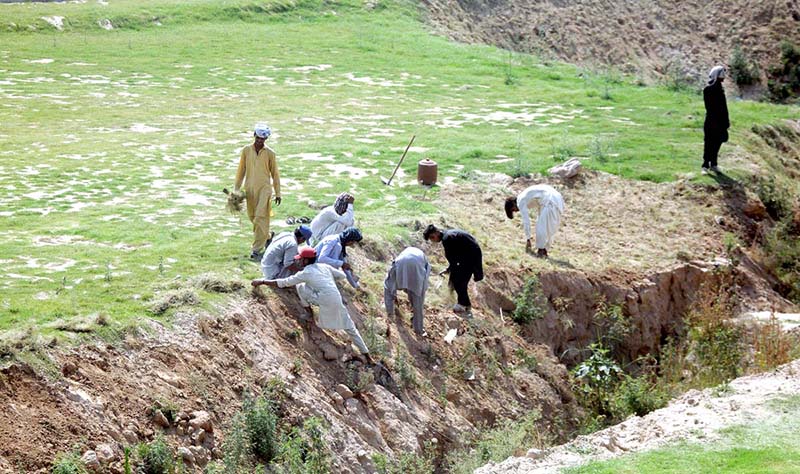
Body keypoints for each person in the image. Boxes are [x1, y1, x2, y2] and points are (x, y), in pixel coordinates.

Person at [253, 247, 373, 362]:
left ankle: (309, 314)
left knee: (300, 286)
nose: (297, 260)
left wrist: (263, 281)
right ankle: (367, 356)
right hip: (336, 298)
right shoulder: (324, 266)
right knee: (350, 328)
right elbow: (341, 276)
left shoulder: (305, 273)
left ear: (305, 260)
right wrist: (327, 281)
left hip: (324, 299)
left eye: (299, 259)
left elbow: (284, 283)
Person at [235, 124, 282, 260]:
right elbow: (241, 171)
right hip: (249, 189)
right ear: (254, 136)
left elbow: (275, 174)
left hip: (264, 190)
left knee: (260, 217)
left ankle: (256, 250)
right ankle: (267, 236)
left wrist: (277, 193)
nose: (260, 141)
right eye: (258, 138)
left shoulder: (270, 154)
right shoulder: (246, 150)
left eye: (263, 139)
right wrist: (236, 190)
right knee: (253, 217)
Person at [423, 225, 483, 316]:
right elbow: (455, 258)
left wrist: (451, 269)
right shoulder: (448, 235)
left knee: (459, 282)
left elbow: (454, 259)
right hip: (468, 256)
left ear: (436, 232)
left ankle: (463, 304)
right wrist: (449, 270)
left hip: (470, 257)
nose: (433, 240)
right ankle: (459, 301)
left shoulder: (448, 238)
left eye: (432, 237)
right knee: (455, 279)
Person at [504, 184, 565, 258]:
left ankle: (541, 250)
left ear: (513, 204)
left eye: (513, 210)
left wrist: (528, 238)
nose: (516, 211)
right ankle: (544, 250)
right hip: (557, 199)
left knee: (541, 227)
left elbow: (526, 221)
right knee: (548, 228)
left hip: (550, 200)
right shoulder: (525, 195)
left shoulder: (520, 201)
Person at [384, 247, 431, 336]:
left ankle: (389, 314)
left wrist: (394, 293)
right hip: (417, 267)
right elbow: (422, 283)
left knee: (388, 287)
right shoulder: (425, 261)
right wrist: (420, 291)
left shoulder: (406, 253)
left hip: (400, 263)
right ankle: (418, 329)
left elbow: (392, 281)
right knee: (418, 300)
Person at [702, 66, 730, 174]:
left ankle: (713, 164)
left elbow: (724, 107)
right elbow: (710, 107)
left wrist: (726, 121)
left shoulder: (720, 90)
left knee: (717, 143)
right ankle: (705, 165)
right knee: (709, 142)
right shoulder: (708, 90)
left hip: (720, 122)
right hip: (711, 121)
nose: (723, 78)